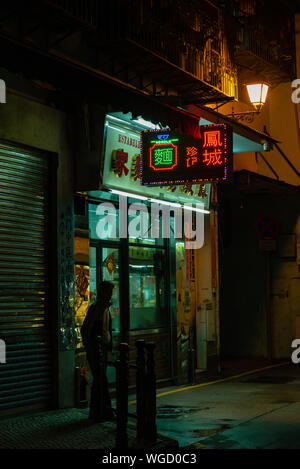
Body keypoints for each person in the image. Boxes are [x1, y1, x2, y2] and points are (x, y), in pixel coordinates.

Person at [81, 281, 115, 422]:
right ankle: (101, 413)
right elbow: (88, 330)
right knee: (100, 380)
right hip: (97, 350)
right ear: (102, 293)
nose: (111, 295)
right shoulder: (97, 309)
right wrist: (93, 347)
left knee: (100, 381)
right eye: (109, 292)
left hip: (101, 349)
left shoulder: (104, 308)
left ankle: (100, 412)